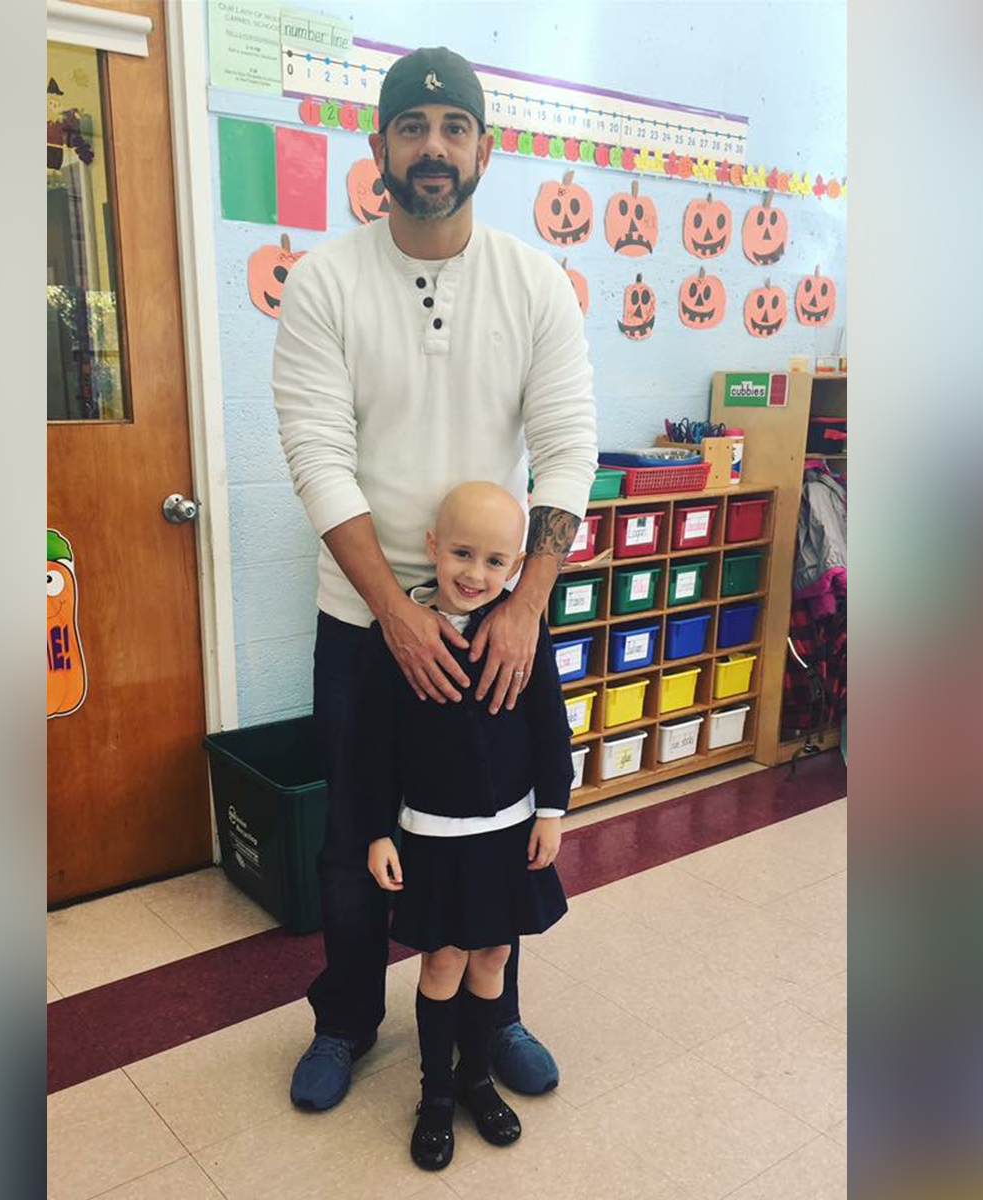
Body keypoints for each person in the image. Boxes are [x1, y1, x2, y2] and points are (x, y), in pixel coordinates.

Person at [270, 44, 599, 1113]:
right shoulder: (325, 284)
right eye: (411, 129)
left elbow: (567, 445)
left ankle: (491, 1020)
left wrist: (525, 608)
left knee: (497, 822)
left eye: (453, 128)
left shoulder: (533, 282)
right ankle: (347, 1020)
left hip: (496, 609)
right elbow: (317, 456)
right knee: (362, 831)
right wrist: (394, 616)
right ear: (378, 151)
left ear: (484, 150)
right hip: (366, 619)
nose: (432, 147)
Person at [358, 483, 570, 1169]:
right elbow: (373, 747)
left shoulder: (524, 631)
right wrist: (378, 831)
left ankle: (477, 1076)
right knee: (443, 960)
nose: (475, 574)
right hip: (430, 838)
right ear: (431, 548)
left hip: (509, 836)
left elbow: (550, 731)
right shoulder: (393, 641)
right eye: (460, 554)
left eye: (494, 561)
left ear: (516, 568)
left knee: (494, 957)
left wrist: (551, 811)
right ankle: (437, 1094)